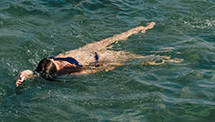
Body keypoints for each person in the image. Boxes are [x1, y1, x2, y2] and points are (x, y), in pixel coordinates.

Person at [16, 22, 156, 85]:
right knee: (123, 46)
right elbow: (34, 72)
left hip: (94, 53)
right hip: (92, 53)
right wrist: (23, 75)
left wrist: (22, 75)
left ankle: (143, 33)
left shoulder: (57, 69)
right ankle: (143, 33)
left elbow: (33, 73)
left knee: (125, 49)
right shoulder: (56, 65)